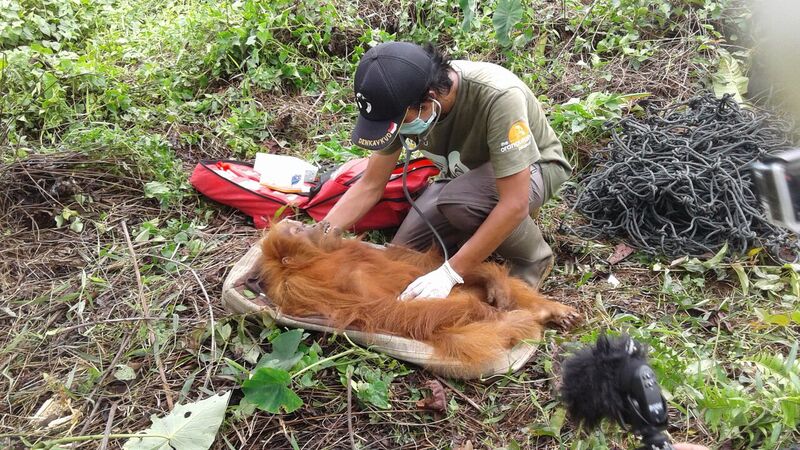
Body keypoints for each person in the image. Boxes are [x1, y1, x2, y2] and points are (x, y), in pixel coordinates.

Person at [320, 41, 571, 300]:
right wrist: (321, 232)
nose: (396, 129)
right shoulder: (401, 104)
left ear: (429, 99)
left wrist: (451, 273)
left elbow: (515, 202)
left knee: (459, 203)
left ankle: (533, 257)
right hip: (464, 177)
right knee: (404, 255)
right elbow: (370, 184)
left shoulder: (498, 95)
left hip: (532, 169)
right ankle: (471, 236)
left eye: (399, 122)